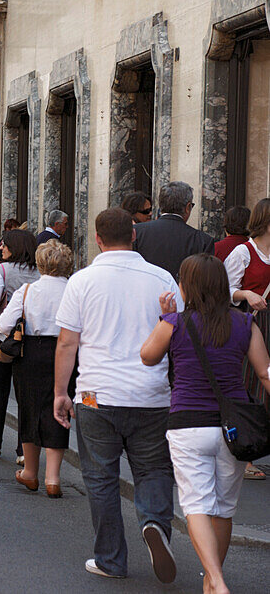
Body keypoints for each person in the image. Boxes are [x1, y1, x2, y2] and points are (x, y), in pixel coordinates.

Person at [54, 208, 179, 582]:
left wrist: (61, 392)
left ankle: (110, 558)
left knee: (100, 477)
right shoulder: (162, 278)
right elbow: (177, 335)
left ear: (97, 238)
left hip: (96, 395)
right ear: (135, 235)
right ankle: (155, 524)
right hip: (151, 395)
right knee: (154, 469)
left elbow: (67, 342)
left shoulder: (82, 280)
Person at [140, 253, 270, 594]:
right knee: (224, 509)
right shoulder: (244, 324)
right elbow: (264, 373)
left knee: (196, 503)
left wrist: (164, 316)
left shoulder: (176, 322)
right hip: (234, 429)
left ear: (187, 286)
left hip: (187, 424)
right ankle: (212, 580)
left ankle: (217, 580)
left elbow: (147, 355)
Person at [0, 239, 74, 497]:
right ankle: (53, 477)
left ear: (40, 264)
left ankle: (30, 471)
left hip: (30, 352)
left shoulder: (28, 290)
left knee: (29, 408)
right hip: (66, 351)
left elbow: (4, 325)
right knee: (59, 408)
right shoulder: (74, 290)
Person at [0, 229, 38, 458]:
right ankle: (23, 448)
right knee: (26, 396)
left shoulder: (1, 269)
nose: (1, 248)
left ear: (15, 247)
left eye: (4, 245)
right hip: (30, 339)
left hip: (2, 338)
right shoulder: (40, 272)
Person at [222, 197, 270, 481]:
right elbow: (226, 288)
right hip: (252, 322)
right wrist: (247, 294)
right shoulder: (244, 252)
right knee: (252, 384)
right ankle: (248, 451)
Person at [132, 181, 214, 281]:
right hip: (182, 295)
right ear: (188, 207)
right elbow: (204, 280)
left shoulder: (137, 232)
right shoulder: (202, 240)